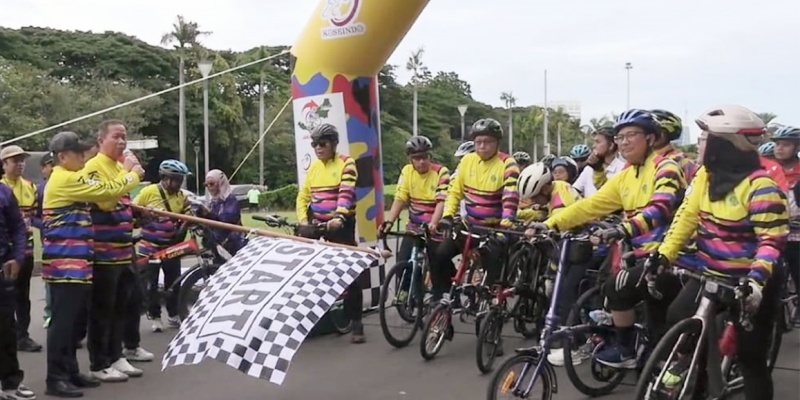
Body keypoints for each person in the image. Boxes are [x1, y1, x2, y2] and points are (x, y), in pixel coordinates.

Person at [529, 109, 686, 369]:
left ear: (650, 138)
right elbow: (589, 206)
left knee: (619, 287)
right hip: (640, 258)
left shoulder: (665, 167)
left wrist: (622, 229)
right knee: (620, 295)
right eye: (620, 137)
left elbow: (660, 209)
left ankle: (628, 349)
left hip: (671, 257)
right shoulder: (626, 176)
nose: (624, 142)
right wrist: (548, 224)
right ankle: (637, 348)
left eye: (631, 135)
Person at [655, 104, 787, 400]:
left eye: (706, 138)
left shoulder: (761, 186)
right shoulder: (705, 177)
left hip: (752, 283)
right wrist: (664, 254)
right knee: (678, 314)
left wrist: (754, 282)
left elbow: (771, 243)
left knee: (751, 358)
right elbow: (687, 218)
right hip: (711, 273)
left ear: (728, 146)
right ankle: (696, 380)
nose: (700, 144)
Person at [42, 131, 143, 398]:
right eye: (78, 153)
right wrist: (132, 175)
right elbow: (107, 192)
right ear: (62, 157)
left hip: (78, 264)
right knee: (62, 324)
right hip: (65, 265)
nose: (84, 156)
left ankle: (71, 371)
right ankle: (56, 378)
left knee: (74, 322)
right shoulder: (64, 178)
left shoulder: (72, 176)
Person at [82, 120, 147, 382]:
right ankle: (99, 362)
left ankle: (116, 355)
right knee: (102, 309)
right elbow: (105, 200)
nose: (122, 142)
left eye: (124, 137)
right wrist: (130, 175)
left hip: (124, 250)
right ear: (101, 140)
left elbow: (122, 201)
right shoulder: (93, 167)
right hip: (104, 252)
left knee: (123, 306)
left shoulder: (118, 167)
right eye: (116, 137)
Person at [431, 118, 520, 303]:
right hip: (470, 225)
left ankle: (491, 304)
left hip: (495, 228)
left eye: (488, 142)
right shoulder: (467, 161)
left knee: (492, 266)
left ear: (498, 143)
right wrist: (447, 215)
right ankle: (451, 294)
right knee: (439, 254)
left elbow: (510, 199)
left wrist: (505, 226)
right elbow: (454, 191)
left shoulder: (508, 163)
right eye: (478, 142)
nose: (482, 146)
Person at [295, 123, 365, 343]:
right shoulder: (315, 168)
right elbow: (303, 197)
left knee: (348, 271)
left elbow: (346, 193)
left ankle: (356, 323)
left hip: (340, 224)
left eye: (322, 143)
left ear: (333, 144)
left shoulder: (347, 163)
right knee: (302, 266)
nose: (317, 148)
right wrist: (304, 221)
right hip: (317, 223)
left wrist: (339, 217)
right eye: (314, 143)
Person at [382, 136, 451, 300]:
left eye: (424, 157)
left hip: (434, 226)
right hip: (414, 225)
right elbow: (400, 198)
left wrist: (434, 223)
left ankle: (439, 296)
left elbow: (442, 201)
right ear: (410, 160)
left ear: (430, 156)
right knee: (403, 260)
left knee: (437, 263)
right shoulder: (407, 171)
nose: (421, 162)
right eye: (416, 158)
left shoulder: (442, 172)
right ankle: (410, 290)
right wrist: (389, 222)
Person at [133, 160, 192, 334]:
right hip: (150, 248)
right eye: (176, 179)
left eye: (180, 180)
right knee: (150, 285)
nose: (178, 183)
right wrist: (143, 215)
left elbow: (188, 214)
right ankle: (156, 317)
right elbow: (132, 212)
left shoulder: (182, 196)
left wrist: (188, 220)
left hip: (172, 248)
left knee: (174, 283)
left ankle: (174, 315)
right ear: (165, 179)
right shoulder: (148, 192)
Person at [0, 145, 42, 353]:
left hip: (26, 249)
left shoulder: (30, 186)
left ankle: (22, 335)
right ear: (4, 164)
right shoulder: (2, 188)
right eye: (15, 160)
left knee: (23, 295)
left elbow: (35, 216)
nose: (20, 164)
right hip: (5, 253)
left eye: (22, 160)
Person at [0, 180, 36, 400]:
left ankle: (10, 382)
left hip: (3, 268)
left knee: (5, 326)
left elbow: (18, 228)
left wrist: (18, 257)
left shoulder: (4, 192)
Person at [770, 126, 800, 320]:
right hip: (773, 232)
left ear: (797, 148)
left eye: (786, 144)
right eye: (777, 144)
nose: (780, 148)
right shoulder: (768, 170)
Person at [198, 170, 246, 256]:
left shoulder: (231, 200)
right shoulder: (212, 203)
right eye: (206, 185)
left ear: (221, 183)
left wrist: (209, 214)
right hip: (217, 246)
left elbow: (227, 220)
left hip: (234, 245)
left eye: (212, 184)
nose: (209, 187)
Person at [572, 126, 626, 197]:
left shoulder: (623, 170)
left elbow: (609, 197)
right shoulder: (589, 169)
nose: (594, 146)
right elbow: (573, 192)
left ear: (611, 146)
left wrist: (598, 170)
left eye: (598, 142)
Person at [33, 152, 54, 329]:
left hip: (69, 242)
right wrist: (46, 224)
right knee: (50, 277)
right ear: (43, 169)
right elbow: (33, 216)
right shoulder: (40, 189)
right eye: (49, 165)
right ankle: (49, 313)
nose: (53, 168)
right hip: (48, 240)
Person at [650, 109, 696, 182]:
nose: (649, 135)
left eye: (655, 131)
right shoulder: (636, 161)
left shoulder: (682, 161)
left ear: (667, 133)